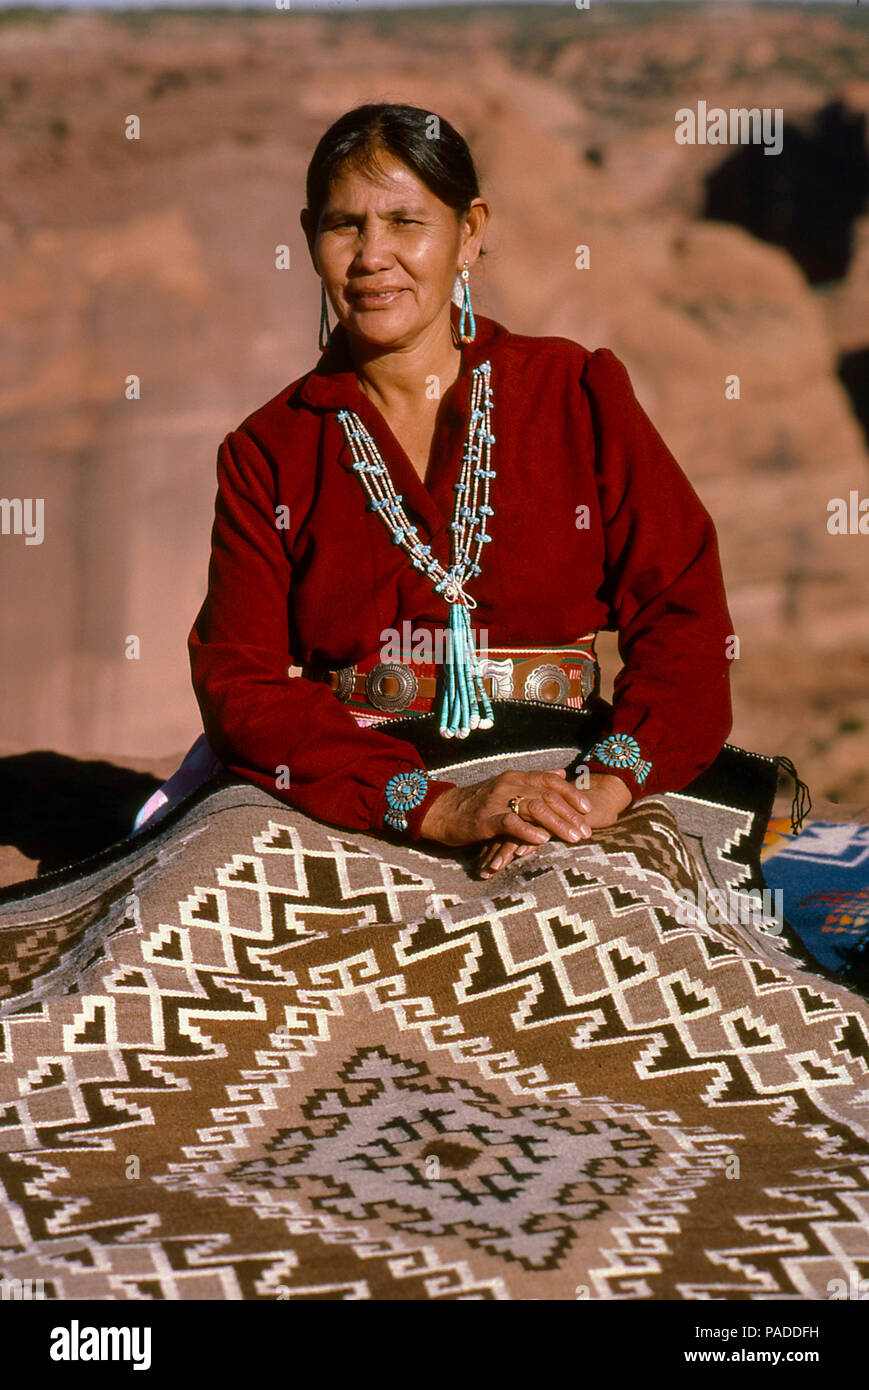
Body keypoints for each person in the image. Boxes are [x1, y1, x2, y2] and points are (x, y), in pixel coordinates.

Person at [139, 102, 733, 880]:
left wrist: (601, 788)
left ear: (470, 232)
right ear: (309, 237)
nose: (371, 256)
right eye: (343, 225)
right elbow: (241, 682)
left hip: (570, 771)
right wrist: (436, 806)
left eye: (405, 222)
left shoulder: (573, 393)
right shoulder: (270, 449)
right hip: (356, 781)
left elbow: (683, 616)